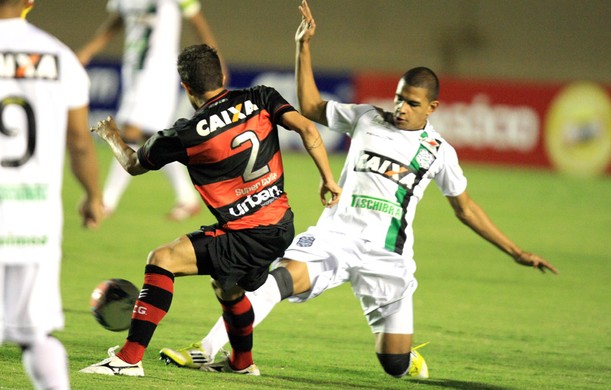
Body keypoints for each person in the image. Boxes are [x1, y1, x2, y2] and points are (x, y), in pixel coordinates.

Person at [158, 0, 559, 380]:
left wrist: (516, 252)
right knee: (275, 280)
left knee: (394, 365)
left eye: (412, 103)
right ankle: (207, 348)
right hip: (335, 237)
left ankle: (405, 355)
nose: (401, 107)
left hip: (388, 256)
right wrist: (303, 47)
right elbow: (312, 107)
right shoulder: (369, 117)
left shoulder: (439, 153)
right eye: (399, 97)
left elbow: (466, 209)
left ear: (431, 108)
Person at [79, 43, 341, 377]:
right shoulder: (261, 97)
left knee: (162, 259)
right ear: (222, 74)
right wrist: (328, 180)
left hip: (246, 233)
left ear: (186, 87)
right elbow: (307, 128)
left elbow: (132, 164)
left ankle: (128, 360)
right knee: (227, 287)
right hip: (281, 225)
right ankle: (242, 363)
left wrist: (111, 134)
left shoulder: (184, 134)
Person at [0, 1, 104, 389]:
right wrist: (93, 195)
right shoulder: (59, 57)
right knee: (34, 334)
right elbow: (79, 142)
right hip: (33, 217)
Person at [77, 0, 229, 221]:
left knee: (131, 130)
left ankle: (106, 201)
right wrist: (88, 50)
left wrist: (216, 61)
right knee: (153, 136)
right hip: (133, 68)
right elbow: (115, 23)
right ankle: (187, 197)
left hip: (159, 68)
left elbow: (197, 21)